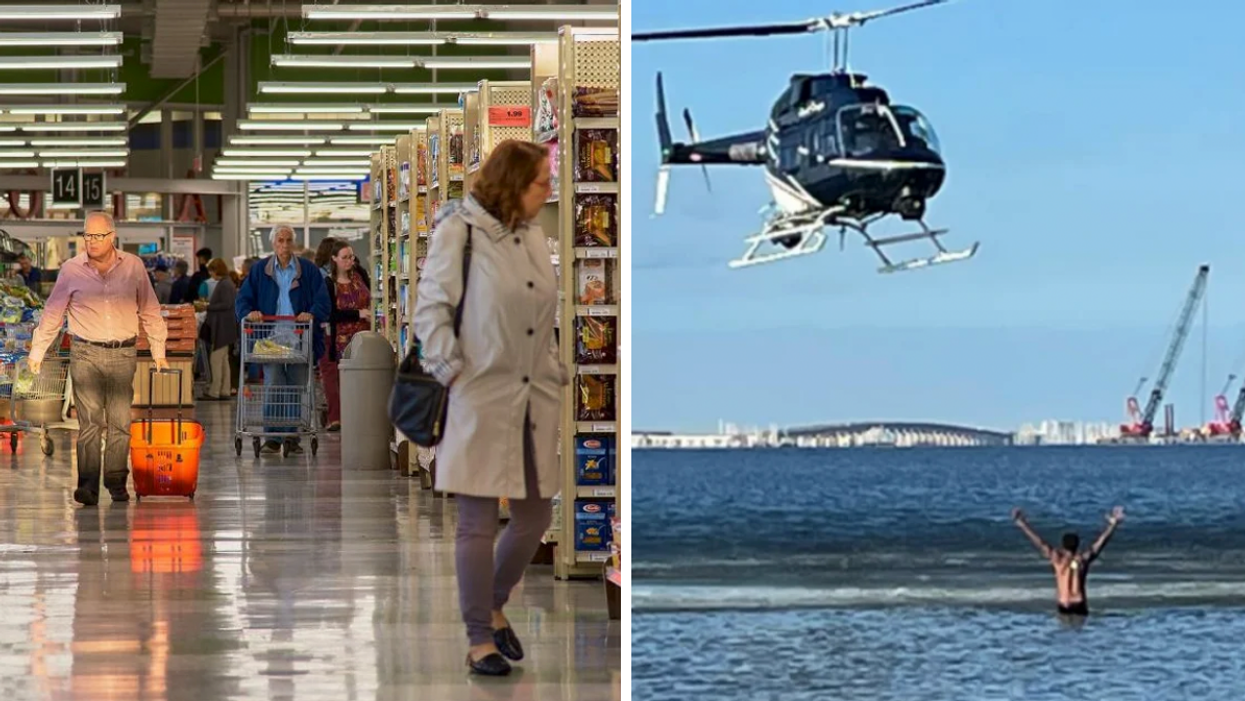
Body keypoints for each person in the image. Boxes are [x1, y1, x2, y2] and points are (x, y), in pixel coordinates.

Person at [411, 139, 566, 676]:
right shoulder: (461, 232)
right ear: (513, 185)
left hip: (534, 395)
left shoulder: (532, 235)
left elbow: (539, 313)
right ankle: (480, 638)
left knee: (535, 515)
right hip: (477, 393)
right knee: (476, 522)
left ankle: (494, 602)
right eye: (542, 183)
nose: (550, 192)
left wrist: (553, 364)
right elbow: (429, 310)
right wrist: (453, 371)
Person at [28, 210, 169, 506]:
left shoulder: (133, 266)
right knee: (90, 423)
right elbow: (53, 313)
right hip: (85, 353)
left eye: (97, 236)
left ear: (112, 236)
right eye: (87, 235)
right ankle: (88, 486)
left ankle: (116, 481)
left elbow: (150, 309)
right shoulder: (70, 270)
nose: (91, 242)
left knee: (119, 421)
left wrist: (159, 351)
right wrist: (37, 350)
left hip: (123, 352)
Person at [234, 224, 330, 455]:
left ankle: (292, 435)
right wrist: (250, 313)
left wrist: (312, 313)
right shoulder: (260, 270)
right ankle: (273, 436)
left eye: (288, 240)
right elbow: (243, 300)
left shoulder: (308, 270)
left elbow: (322, 301)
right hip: (270, 338)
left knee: (297, 386)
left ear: (293, 243)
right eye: (280, 240)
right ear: (273, 243)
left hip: (299, 337)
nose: (285, 245)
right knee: (274, 382)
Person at [1011, 506, 1125, 616]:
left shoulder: (1058, 559)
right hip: (1079, 602)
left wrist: (1022, 524)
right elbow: (1100, 544)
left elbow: (1040, 543)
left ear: (1062, 546)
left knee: (1064, 633)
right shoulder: (1082, 560)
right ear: (1077, 545)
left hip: (1064, 603)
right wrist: (1112, 525)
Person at [321, 240, 371, 432]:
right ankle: (338, 418)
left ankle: (360, 416)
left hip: (364, 338)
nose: (350, 261)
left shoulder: (361, 275)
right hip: (339, 341)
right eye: (345, 258)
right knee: (340, 381)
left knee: (362, 382)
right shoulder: (329, 283)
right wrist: (358, 313)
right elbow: (330, 314)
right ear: (334, 259)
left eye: (351, 256)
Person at [200, 258, 238, 401]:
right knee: (223, 361)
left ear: (216, 270)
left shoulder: (224, 284)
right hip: (226, 327)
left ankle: (215, 391)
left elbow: (226, 304)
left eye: (211, 271)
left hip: (222, 327)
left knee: (216, 359)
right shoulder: (227, 283)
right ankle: (224, 390)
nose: (211, 275)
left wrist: (207, 307)